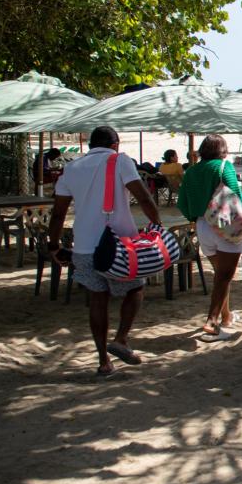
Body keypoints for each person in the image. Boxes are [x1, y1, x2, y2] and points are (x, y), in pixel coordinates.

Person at [46, 126, 162, 377]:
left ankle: (103, 362)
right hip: (119, 243)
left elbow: (58, 213)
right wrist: (157, 224)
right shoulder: (119, 160)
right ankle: (120, 339)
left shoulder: (71, 169)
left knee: (98, 299)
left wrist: (53, 245)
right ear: (115, 144)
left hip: (85, 245)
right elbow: (142, 197)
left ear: (90, 146)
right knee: (135, 288)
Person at [177, 134, 242, 342]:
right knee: (224, 276)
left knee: (220, 275)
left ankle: (226, 316)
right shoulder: (223, 166)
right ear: (223, 149)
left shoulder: (191, 171)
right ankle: (212, 321)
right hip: (225, 223)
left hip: (202, 225)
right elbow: (234, 194)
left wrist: (194, 218)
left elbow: (182, 202)